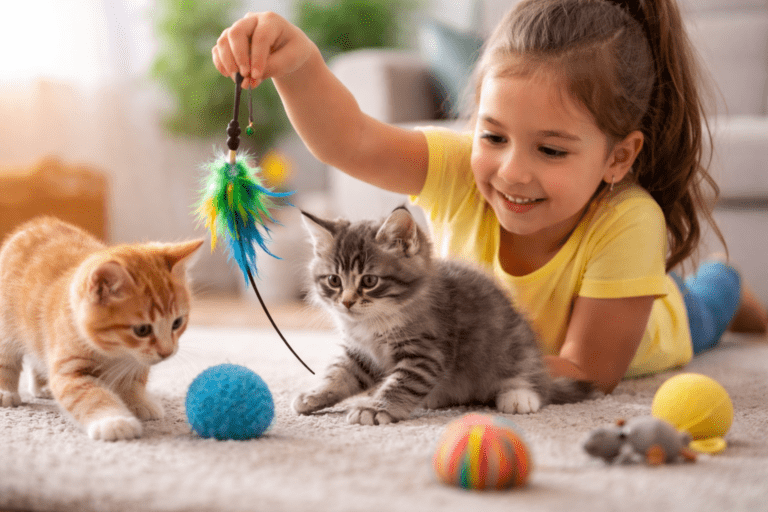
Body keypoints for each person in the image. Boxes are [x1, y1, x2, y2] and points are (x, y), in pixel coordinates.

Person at [212, 0, 767, 394]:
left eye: (550, 151)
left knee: (705, 304)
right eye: (493, 136)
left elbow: (586, 369)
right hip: (513, 332)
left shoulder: (631, 221)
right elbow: (350, 139)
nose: (511, 172)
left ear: (618, 158)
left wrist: (454, 379)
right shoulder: (459, 169)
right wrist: (300, 63)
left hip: (654, 326)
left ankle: (729, 287)